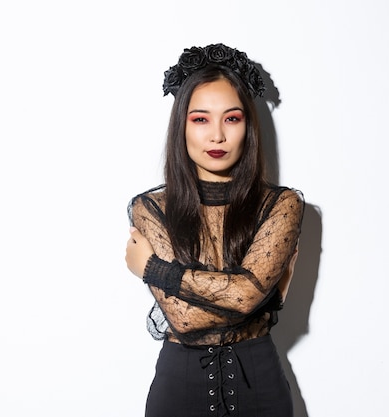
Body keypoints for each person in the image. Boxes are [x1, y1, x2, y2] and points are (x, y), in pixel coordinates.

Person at [125, 43, 304, 417]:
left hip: (262, 387)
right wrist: (262, 295)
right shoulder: (151, 208)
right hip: (178, 389)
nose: (217, 136)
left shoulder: (281, 205)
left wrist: (156, 270)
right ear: (182, 126)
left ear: (248, 126)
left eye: (232, 118)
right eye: (201, 119)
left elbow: (242, 298)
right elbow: (186, 320)